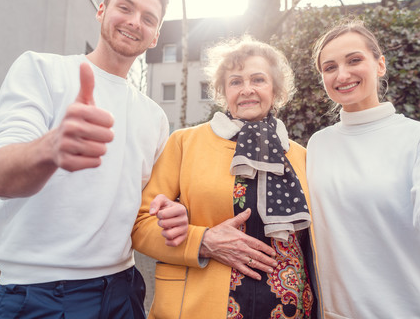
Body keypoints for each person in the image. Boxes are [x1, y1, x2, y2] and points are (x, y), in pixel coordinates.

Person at [0, 0, 188, 319]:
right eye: (125, 7)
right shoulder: (40, 70)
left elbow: (148, 204)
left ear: (155, 36)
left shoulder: (155, 117)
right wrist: (50, 148)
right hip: (39, 292)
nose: (135, 22)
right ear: (102, 10)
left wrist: (174, 211)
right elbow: (1, 177)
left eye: (149, 18)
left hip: (123, 289)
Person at [307, 19, 420, 318]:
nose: (342, 74)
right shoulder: (317, 144)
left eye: (354, 60)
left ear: (380, 65)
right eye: (329, 67)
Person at [132, 36, 324, 318]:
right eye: (235, 82)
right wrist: (203, 241)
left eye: (258, 80)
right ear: (223, 91)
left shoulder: (300, 155)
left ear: (275, 89)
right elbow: (140, 224)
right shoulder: (184, 143)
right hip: (200, 306)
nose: (247, 89)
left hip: (292, 310)